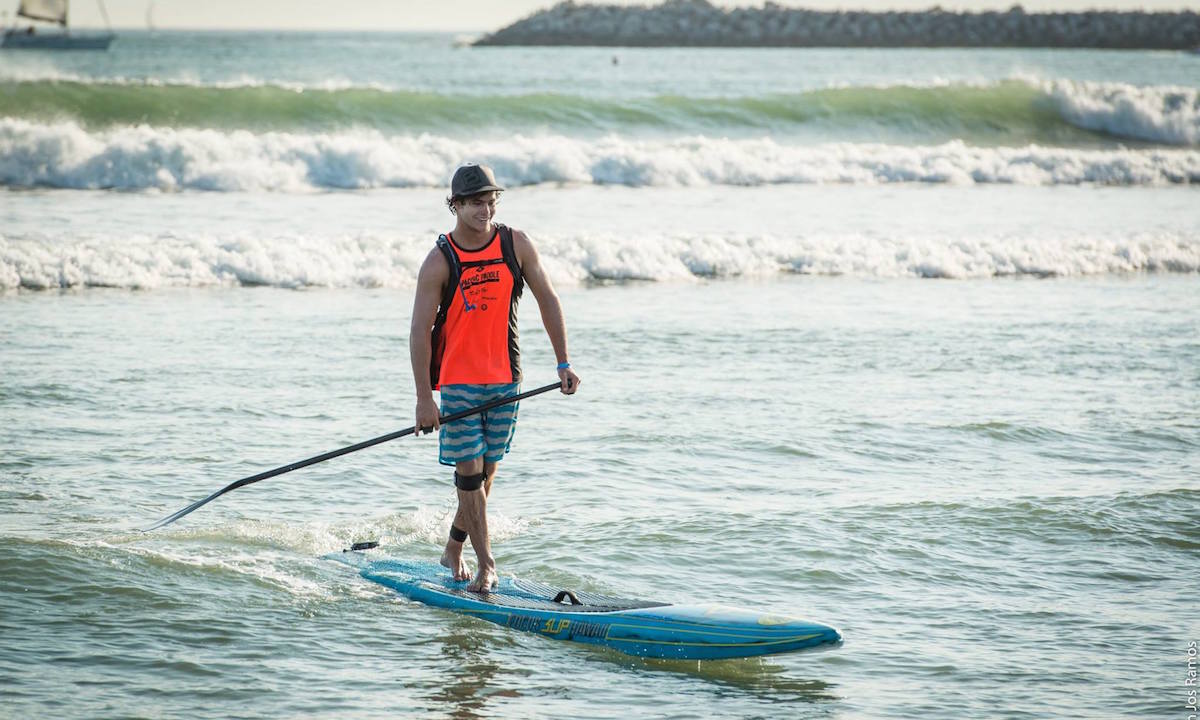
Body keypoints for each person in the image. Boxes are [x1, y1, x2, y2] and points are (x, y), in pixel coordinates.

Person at [409, 163, 581, 593]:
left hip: (506, 377)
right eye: (476, 203)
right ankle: (487, 564)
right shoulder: (439, 260)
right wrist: (424, 400)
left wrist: (563, 362)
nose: (486, 209)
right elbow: (419, 332)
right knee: (469, 473)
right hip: (458, 381)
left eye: (491, 200)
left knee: (485, 473)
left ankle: (452, 546)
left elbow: (548, 299)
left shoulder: (515, 244)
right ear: (457, 205)